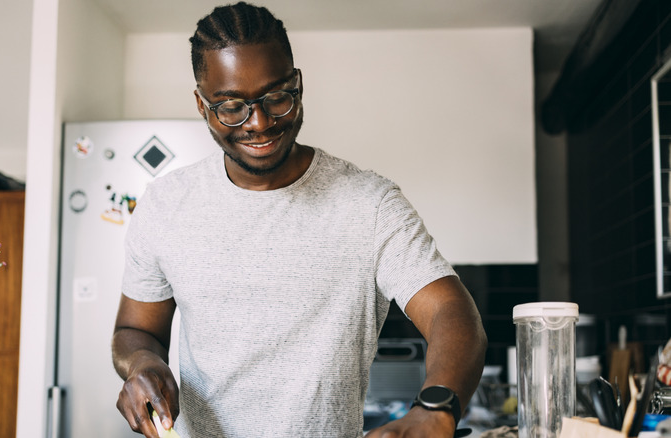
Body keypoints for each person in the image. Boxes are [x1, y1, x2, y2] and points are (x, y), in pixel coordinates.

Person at [111, 3, 487, 437]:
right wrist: (142, 364)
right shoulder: (165, 205)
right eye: (232, 106)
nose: (260, 123)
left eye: (277, 98)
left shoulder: (370, 205)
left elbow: (452, 312)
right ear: (201, 104)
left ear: (298, 84)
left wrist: (436, 407)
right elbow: (134, 329)